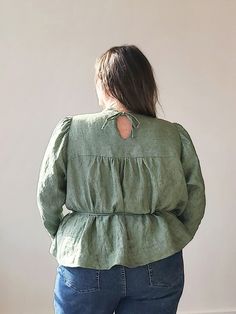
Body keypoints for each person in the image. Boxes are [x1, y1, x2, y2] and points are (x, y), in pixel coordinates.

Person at [36, 44, 206, 314]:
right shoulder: (173, 135)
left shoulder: (72, 130)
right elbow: (195, 200)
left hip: (84, 255)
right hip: (159, 259)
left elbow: (48, 196)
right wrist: (171, 235)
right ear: (145, 85)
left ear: (104, 83)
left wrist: (69, 234)